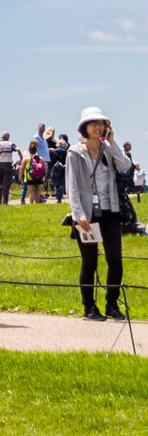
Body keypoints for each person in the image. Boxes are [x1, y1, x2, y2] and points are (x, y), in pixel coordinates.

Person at [66, 108, 132, 322]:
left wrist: (113, 143)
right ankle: (89, 307)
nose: (97, 127)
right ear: (84, 127)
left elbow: (125, 166)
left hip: (110, 210)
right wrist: (79, 213)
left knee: (115, 260)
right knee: (90, 262)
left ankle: (112, 304)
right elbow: (72, 186)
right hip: (87, 214)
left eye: (101, 123)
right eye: (92, 123)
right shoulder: (75, 152)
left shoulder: (108, 149)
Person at [0, 132, 19, 206]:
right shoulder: (10, 144)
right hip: (8, 165)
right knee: (6, 185)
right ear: (8, 137)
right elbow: (17, 149)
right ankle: (5, 201)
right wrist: (21, 158)